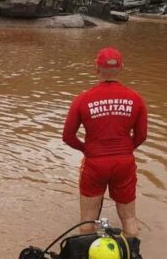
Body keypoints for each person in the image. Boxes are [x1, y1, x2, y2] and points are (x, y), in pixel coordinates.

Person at [62, 47, 147, 239]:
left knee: (87, 220)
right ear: (122, 68)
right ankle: (130, 252)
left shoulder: (82, 99)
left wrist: (89, 150)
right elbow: (141, 135)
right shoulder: (136, 99)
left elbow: (68, 136)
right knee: (129, 219)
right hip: (124, 163)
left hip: (95, 163)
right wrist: (124, 150)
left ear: (96, 68)